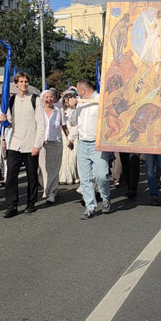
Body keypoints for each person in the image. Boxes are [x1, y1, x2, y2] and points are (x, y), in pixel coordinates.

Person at [0, 72, 45, 217]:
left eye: (26, 81)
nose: (24, 84)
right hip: (15, 143)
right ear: (16, 84)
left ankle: (31, 203)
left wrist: (37, 144)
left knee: (32, 176)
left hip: (30, 143)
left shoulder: (35, 99)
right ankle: (11, 205)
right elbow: (9, 123)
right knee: (11, 176)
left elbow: (41, 123)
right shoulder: (11, 101)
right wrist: (4, 119)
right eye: (21, 81)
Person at [69, 79, 114, 220]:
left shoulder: (102, 99)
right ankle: (90, 207)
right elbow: (72, 122)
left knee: (101, 175)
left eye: (78, 91)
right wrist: (72, 109)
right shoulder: (79, 103)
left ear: (83, 90)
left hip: (97, 144)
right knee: (85, 178)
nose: (77, 94)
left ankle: (106, 197)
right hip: (82, 143)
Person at [39, 88, 66, 204]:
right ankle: (46, 188)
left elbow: (64, 127)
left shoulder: (58, 111)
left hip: (56, 143)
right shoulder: (38, 112)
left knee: (54, 169)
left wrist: (70, 139)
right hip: (41, 144)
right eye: (46, 97)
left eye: (51, 97)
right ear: (42, 99)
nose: (49, 99)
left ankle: (52, 192)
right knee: (42, 169)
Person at [59, 91, 79, 185]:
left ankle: (76, 175)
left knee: (74, 157)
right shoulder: (62, 111)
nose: (67, 104)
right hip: (65, 134)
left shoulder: (78, 110)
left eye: (69, 101)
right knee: (65, 157)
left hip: (75, 134)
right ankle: (66, 176)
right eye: (66, 102)